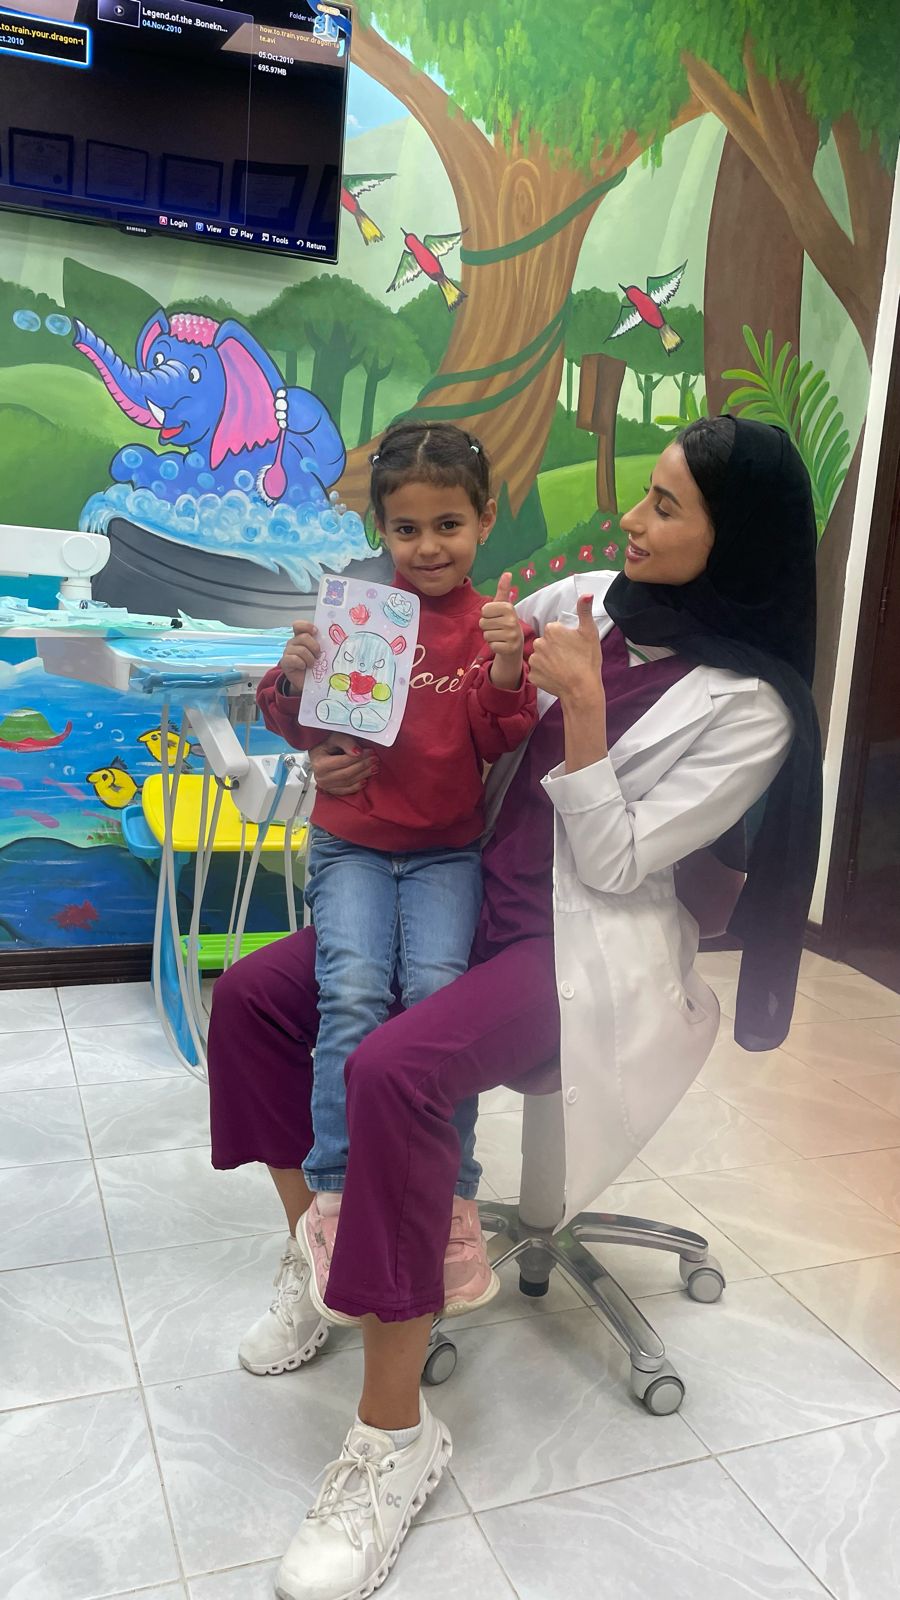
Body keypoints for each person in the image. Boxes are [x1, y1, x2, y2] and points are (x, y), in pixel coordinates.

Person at [208, 416, 822, 1600]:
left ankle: (394, 1439)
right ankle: (322, 1250)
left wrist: (581, 713)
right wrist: (330, 746)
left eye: (666, 506)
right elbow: (436, 714)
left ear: (733, 536)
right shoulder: (580, 601)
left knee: (393, 1069)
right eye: (646, 494)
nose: (631, 520)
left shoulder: (754, 710)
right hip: (457, 890)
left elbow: (620, 864)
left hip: (579, 949)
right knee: (254, 1002)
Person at [254, 421, 537, 1333]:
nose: (427, 546)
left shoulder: (490, 626)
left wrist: (505, 662)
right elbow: (304, 726)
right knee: (353, 992)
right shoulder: (359, 615)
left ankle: (451, 1199)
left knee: (437, 1002)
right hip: (353, 845)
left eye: (448, 525)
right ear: (381, 528)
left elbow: (500, 735)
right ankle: (336, 1195)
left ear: (484, 521)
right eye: (406, 528)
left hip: (448, 851)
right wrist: (293, 680)